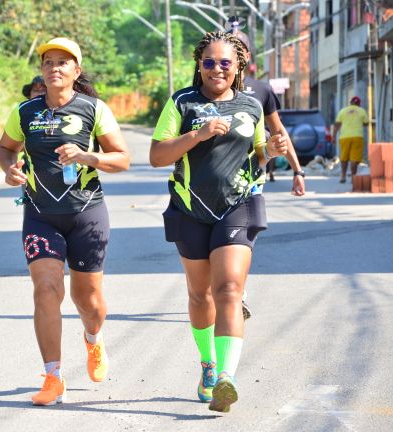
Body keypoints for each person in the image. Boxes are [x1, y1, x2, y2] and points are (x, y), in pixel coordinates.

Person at [149, 31, 287, 413]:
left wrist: (270, 152)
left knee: (227, 288)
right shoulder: (182, 102)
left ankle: (226, 377)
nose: (217, 69)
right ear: (199, 65)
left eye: (225, 62)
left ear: (238, 65)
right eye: (209, 62)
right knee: (200, 294)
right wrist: (198, 133)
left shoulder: (250, 105)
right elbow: (158, 156)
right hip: (190, 208)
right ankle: (208, 364)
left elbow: (258, 155)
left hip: (237, 205)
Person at [0, 37, 130, 406]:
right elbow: (6, 148)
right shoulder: (24, 112)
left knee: (88, 300)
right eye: (48, 62)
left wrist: (88, 156)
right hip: (40, 215)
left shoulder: (93, 108)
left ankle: (93, 339)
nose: (54, 67)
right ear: (41, 70)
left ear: (76, 70)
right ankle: (53, 377)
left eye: (63, 62)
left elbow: (122, 158)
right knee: (46, 290)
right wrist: (10, 169)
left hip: (87, 212)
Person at [230, 23, 306, 321]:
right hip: (208, 185)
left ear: (247, 55)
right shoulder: (203, 89)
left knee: (242, 242)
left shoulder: (261, 90)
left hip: (250, 180)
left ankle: (238, 294)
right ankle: (225, 290)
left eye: (237, 48)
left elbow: (279, 131)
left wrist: (298, 171)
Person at [333, 96, 369, 183]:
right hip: (357, 137)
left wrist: (333, 136)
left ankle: (343, 176)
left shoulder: (343, 111)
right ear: (359, 104)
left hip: (344, 137)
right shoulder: (362, 111)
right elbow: (366, 123)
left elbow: (337, 125)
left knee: (344, 157)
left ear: (350, 102)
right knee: (354, 158)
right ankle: (353, 177)